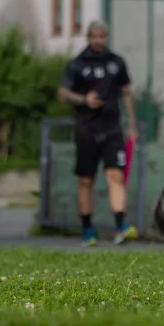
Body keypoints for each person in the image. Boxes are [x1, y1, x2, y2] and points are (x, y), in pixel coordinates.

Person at [58, 22, 137, 246]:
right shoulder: (78, 64)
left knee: (116, 176)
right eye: (95, 37)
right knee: (86, 179)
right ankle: (87, 229)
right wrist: (84, 100)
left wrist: (131, 125)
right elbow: (63, 93)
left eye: (102, 37)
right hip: (86, 129)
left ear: (107, 37)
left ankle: (121, 225)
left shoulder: (116, 62)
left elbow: (126, 93)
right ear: (88, 37)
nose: (99, 41)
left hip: (112, 128)